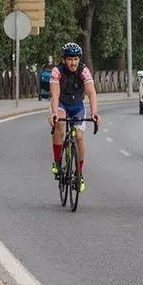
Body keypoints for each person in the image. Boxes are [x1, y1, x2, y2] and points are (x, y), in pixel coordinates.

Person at [48, 42, 100, 193]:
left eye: (76, 59)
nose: (73, 62)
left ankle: (79, 173)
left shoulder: (84, 71)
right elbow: (55, 94)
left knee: (78, 137)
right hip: (61, 104)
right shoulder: (56, 71)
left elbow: (91, 93)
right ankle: (57, 161)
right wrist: (54, 114)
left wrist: (94, 113)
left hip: (77, 105)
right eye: (70, 59)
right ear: (64, 60)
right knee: (60, 125)